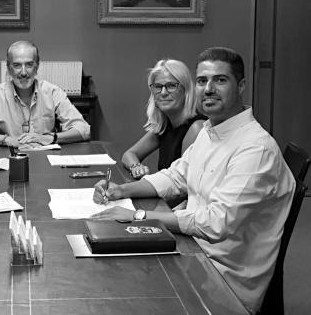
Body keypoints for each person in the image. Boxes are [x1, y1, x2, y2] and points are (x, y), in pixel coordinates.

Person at [91, 47, 295, 314]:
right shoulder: (210, 132)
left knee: (119, 290)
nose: (208, 89)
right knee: (108, 276)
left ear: (241, 85)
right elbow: (175, 176)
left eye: (220, 80)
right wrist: (121, 190)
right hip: (194, 250)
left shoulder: (255, 148)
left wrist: (139, 216)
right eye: (202, 81)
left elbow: (216, 222)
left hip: (222, 279)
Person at [0, 40, 90, 147]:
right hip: (9, 159)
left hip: (45, 159)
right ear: (9, 68)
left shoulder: (53, 92)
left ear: (37, 66)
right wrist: (6, 140)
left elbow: (84, 129)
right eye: (17, 65)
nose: (24, 72)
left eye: (29, 64)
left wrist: (50, 138)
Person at [122, 59, 205, 179]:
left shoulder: (196, 128)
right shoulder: (166, 124)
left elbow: (183, 182)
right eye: (158, 87)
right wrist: (136, 167)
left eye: (171, 86)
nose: (163, 93)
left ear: (186, 90)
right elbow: (129, 154)